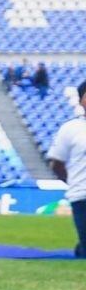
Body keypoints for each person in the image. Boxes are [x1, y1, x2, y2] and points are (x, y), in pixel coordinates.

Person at [44, 82, 86, 258]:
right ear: (80, 100)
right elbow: (57, 164)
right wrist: (74, 182)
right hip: (83, 196)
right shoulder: (71, 129)